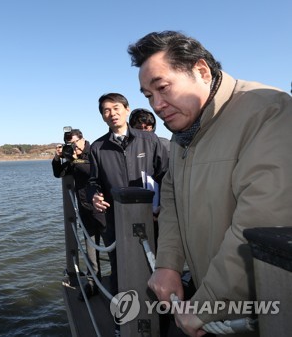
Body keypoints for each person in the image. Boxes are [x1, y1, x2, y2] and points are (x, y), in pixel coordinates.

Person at [127, 30, 292, 337]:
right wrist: (168, 264)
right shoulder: (182, 133)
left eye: (162, 88)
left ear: (201, 71)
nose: (157, 105)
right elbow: (172, 198)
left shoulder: (268, 111)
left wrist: (207, 304)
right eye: (148, 96)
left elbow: (263, 220)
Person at [88, 93, 169, 299]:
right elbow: (93, 182)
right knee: (119, 266)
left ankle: (161, 314)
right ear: (103, 117)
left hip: (152, 216)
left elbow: (166, 175)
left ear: (126, 109)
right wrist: (95, 196)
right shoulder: (97, 147)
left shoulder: (149, 140)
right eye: (106, 110)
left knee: (156, 263)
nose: (112, 114)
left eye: (116, 108)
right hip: (115, 219)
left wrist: (163, 206)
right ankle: (122, 318)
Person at [52, 128, 105, 300]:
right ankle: (92, 284)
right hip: (85, 209)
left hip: (104, 209)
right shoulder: (72, 157)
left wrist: (75, 160)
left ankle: (123, 282)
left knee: (114, 247)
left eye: (74, 143)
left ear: (82, 139)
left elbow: (92, 172)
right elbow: (58, 173)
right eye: (69, 145)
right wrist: (57, 158)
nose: (73, 147)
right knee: (90, 251)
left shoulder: (96, 150)